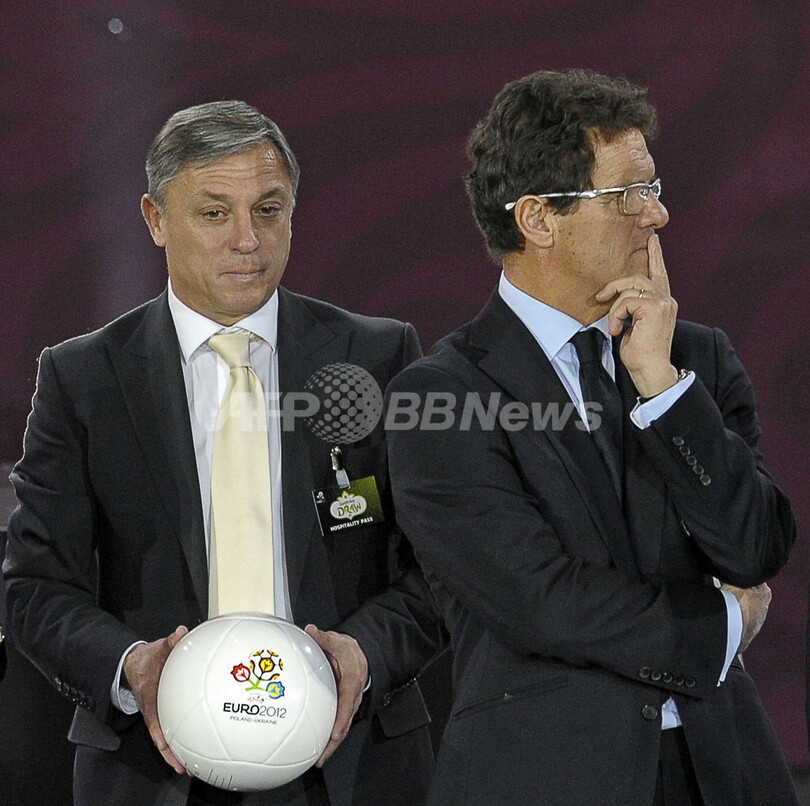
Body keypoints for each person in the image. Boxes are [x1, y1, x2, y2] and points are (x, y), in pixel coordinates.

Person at [3, 101, 444, 806]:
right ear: (155, 219)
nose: (248, 240)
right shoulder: (83, 378)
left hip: (350, 766)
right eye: (215, 213)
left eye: (268, 210)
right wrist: (132, 666)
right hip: (153, 769)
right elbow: (35, 586)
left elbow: (441, 566)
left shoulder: (378, 357)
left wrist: (364, 654)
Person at [385, 69, 797, 805]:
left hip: (724, 771)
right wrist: (721, 623)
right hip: (548, 780)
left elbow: (755, 546)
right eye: (628, 195)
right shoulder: (441, 396)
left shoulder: (694, 360)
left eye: (653, 187)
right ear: (538, 219)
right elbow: (542, 600)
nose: (658, 214)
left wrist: (663, 389)